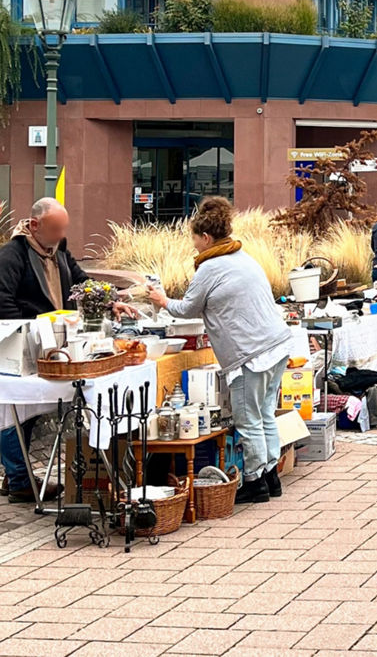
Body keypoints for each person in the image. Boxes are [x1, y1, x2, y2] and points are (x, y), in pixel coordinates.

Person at [146, 197, 293, 504]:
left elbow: (187, 309)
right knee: (265, 412)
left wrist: (161, 300)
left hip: (250, 354)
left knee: (247, 418)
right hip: (276, 344)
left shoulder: (210, 267)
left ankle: (255, 482)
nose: (194, 245)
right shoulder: (243, 256)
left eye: (195, 239)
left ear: (207, 238)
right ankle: (270, 476)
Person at [0, 199, 138, 504]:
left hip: (55, 344)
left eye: (63, 229)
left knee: (30, 413)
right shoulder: (12, 255)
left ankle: (16, 476)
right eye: (54, 229)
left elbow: (81, 281)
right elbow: (3, 301)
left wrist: (110, 301)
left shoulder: (59, 250)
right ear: (34, 226)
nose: (60, 234)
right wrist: (27, 332)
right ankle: (21, 479)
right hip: (23, 344)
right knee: (15, 411)